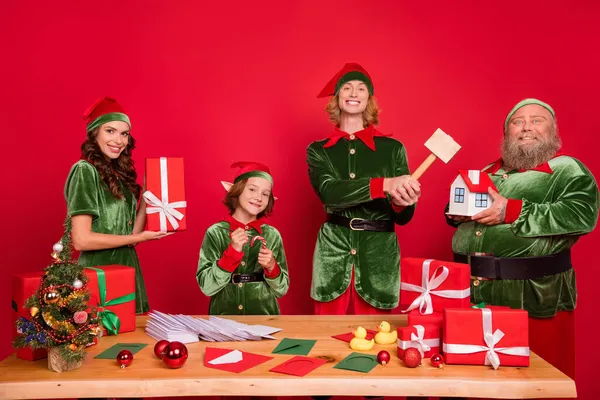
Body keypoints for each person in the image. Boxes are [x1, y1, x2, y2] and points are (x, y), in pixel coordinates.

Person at [447, 98, 599, 381]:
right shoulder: (487, 172)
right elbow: (462, 209)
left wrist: (513, 210)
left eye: (536, 120)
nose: (526, 127)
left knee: (536, 382)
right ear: (507, 133)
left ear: (553, 131)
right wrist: (456, 215)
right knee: (475, 382)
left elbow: (582, 215)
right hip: (472, 296)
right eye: (518, 122)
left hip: (534, 296)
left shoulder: (567, 169)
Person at [307, 62, 421, 316]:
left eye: (361, 88)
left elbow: (403, 217)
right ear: (337, 98)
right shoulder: (318, 150)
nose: (354, 93)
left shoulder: (393, 149)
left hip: (379, 252)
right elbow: (330, 192)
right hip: (332, 251)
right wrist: (384, 184)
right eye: (347, 88)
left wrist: (403, 202)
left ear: (369, 98)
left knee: (376, 336)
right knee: (325, 336)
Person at [65, 97, 170, 315]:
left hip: (127, 268)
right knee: (104, 343)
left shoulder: (119, 176)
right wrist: (138, 239)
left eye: (124, 133)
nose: (119, 140)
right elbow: (81, 239)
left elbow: (130, 233)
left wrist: (147, 198)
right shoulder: (85, 170)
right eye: (110, 131)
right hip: (99, 273)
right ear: (95, 133)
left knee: (133, 342)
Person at [197, 162, 289, 315]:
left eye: (265, 194)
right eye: (252, 189)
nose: (259, 197)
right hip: (223, 322)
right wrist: (231, 253)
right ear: (238, 190)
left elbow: (282, 289)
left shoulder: (272, 235)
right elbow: (207, 287)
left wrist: (272, 267)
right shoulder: (216, 233)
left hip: (265, 320)